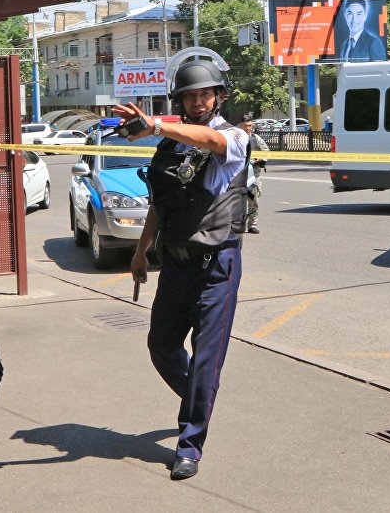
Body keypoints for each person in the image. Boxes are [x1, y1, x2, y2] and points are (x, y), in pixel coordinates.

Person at [113, 55, 249, 481]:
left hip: (217, 264)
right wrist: (140, 252)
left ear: (218, 97)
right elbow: (159, 203)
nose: (197, 101)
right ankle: (201, 397)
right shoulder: (169, 147)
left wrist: (155, 124)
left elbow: (210, 143)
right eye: (189, 96)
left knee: (207, 359)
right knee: (161, 346)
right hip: (174, 264)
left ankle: (189, 443)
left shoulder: (234, 139)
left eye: (204, 93)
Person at [239, 114, 269, 234]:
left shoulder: (256, 138)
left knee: (253, 200)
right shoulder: (236, 138)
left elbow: (266, 151)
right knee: (237, 201)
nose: (248, 128)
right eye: (245, 126)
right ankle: (238, 224)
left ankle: (252, 225)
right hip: (239, 176)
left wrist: (257, 159)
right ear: (241, 126)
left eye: (250, 125)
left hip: (253, 176)